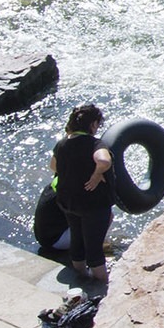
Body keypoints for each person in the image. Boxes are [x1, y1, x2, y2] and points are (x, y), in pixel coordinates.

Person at [49, 103, 117, 282]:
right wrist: (96, 174)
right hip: (94, 204)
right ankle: (102, 284)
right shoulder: (95, 143)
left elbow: (53, 166)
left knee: (77, 241)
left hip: (69, 203)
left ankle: (82, 276)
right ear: (93, 125)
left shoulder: (62, 144)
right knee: (94, 247)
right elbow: (104, 161)